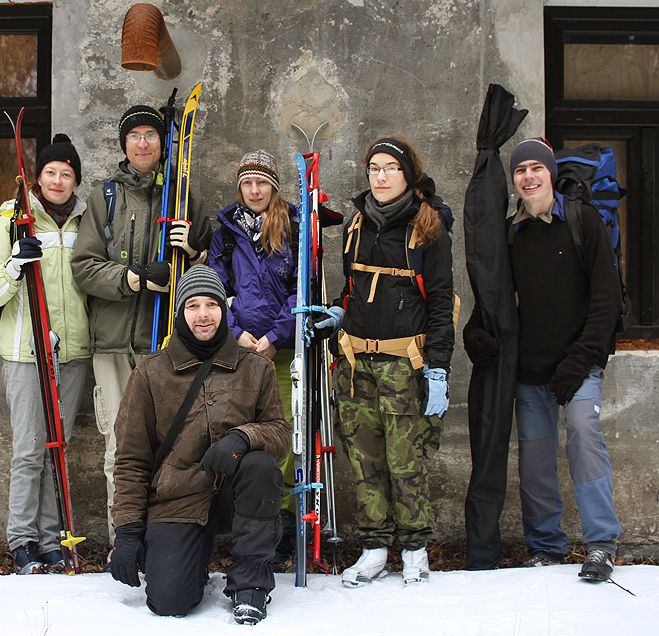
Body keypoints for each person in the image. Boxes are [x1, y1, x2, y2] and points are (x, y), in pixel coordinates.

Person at [465, 137, 622, 581]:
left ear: (550, 173)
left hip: (578, 364)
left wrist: (582, 358)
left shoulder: (582, 222)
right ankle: (546, 547)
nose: (528, 176)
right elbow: (493, 295)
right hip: (529, 371)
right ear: (513, 180)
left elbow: (606, 301)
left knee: (583, 435)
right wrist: (476, 332)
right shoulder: (512, 233)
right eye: (520, 170)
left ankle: (600, 544)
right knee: (534, 460)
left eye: (536, 167)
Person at [108, 265, 291, 625]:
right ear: (180, 314)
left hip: (233, 493)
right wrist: (127, 532)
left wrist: (243, 437)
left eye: (212, 304)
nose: (203, 315)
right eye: (193, 306)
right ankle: (187, 562)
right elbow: (131, 459)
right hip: (177, 499)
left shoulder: (256, 368)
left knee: (262, 465)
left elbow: (280, 432)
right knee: (169, 601)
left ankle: (250, 584)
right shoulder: (151, 372)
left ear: (225, 310)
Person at [313, 136, 454, 587]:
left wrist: (438, 367)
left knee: (406, 460)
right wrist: (337, 313)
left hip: (403, 365)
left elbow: (440, 307)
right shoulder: (356, 226)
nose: (380, 175)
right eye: (373, 167)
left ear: (408, 174)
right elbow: (354, 289)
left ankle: (414, 549)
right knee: (364, 459)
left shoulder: (429, 228)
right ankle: (374, 547)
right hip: (355, 365)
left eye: (390, 167)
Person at [72, 104, 212, 537]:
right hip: (114, 345)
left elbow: (209, 280)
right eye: (135, 137)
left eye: (151, 135)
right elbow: (84, 267)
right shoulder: (104, 197)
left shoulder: (184, 195)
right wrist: (132, 278)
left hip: (167, 346)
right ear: (124, 145)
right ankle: (125, 540)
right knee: (121, 449)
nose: (143, 144)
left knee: (171, 448)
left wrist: (193, 253)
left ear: (164, 143)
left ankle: (166, 538)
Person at [0, 134, 90, 574]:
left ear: (75, 180)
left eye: (67, 173)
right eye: (50, 173)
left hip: (74, 351)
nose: (58, 180)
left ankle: (51, 538)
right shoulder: (14, 221)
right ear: (37, 178)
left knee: (56, 449)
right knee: (28, 449)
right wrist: (15, 266)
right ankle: (22, 539)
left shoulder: (86, 220)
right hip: (27, 351)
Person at [208, 149, 298, 569]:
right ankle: (247, 524)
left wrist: (277, 336)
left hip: (279, 352)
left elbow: (305, 288)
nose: (255, 190)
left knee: (281, 440)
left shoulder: (295, 226)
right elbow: (212, 287)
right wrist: (233, 331)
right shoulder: (226, 231)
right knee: (241, 435)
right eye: (247, 183)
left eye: (262, 182)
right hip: (239, 352)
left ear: (274, 186)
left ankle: (282, 529)